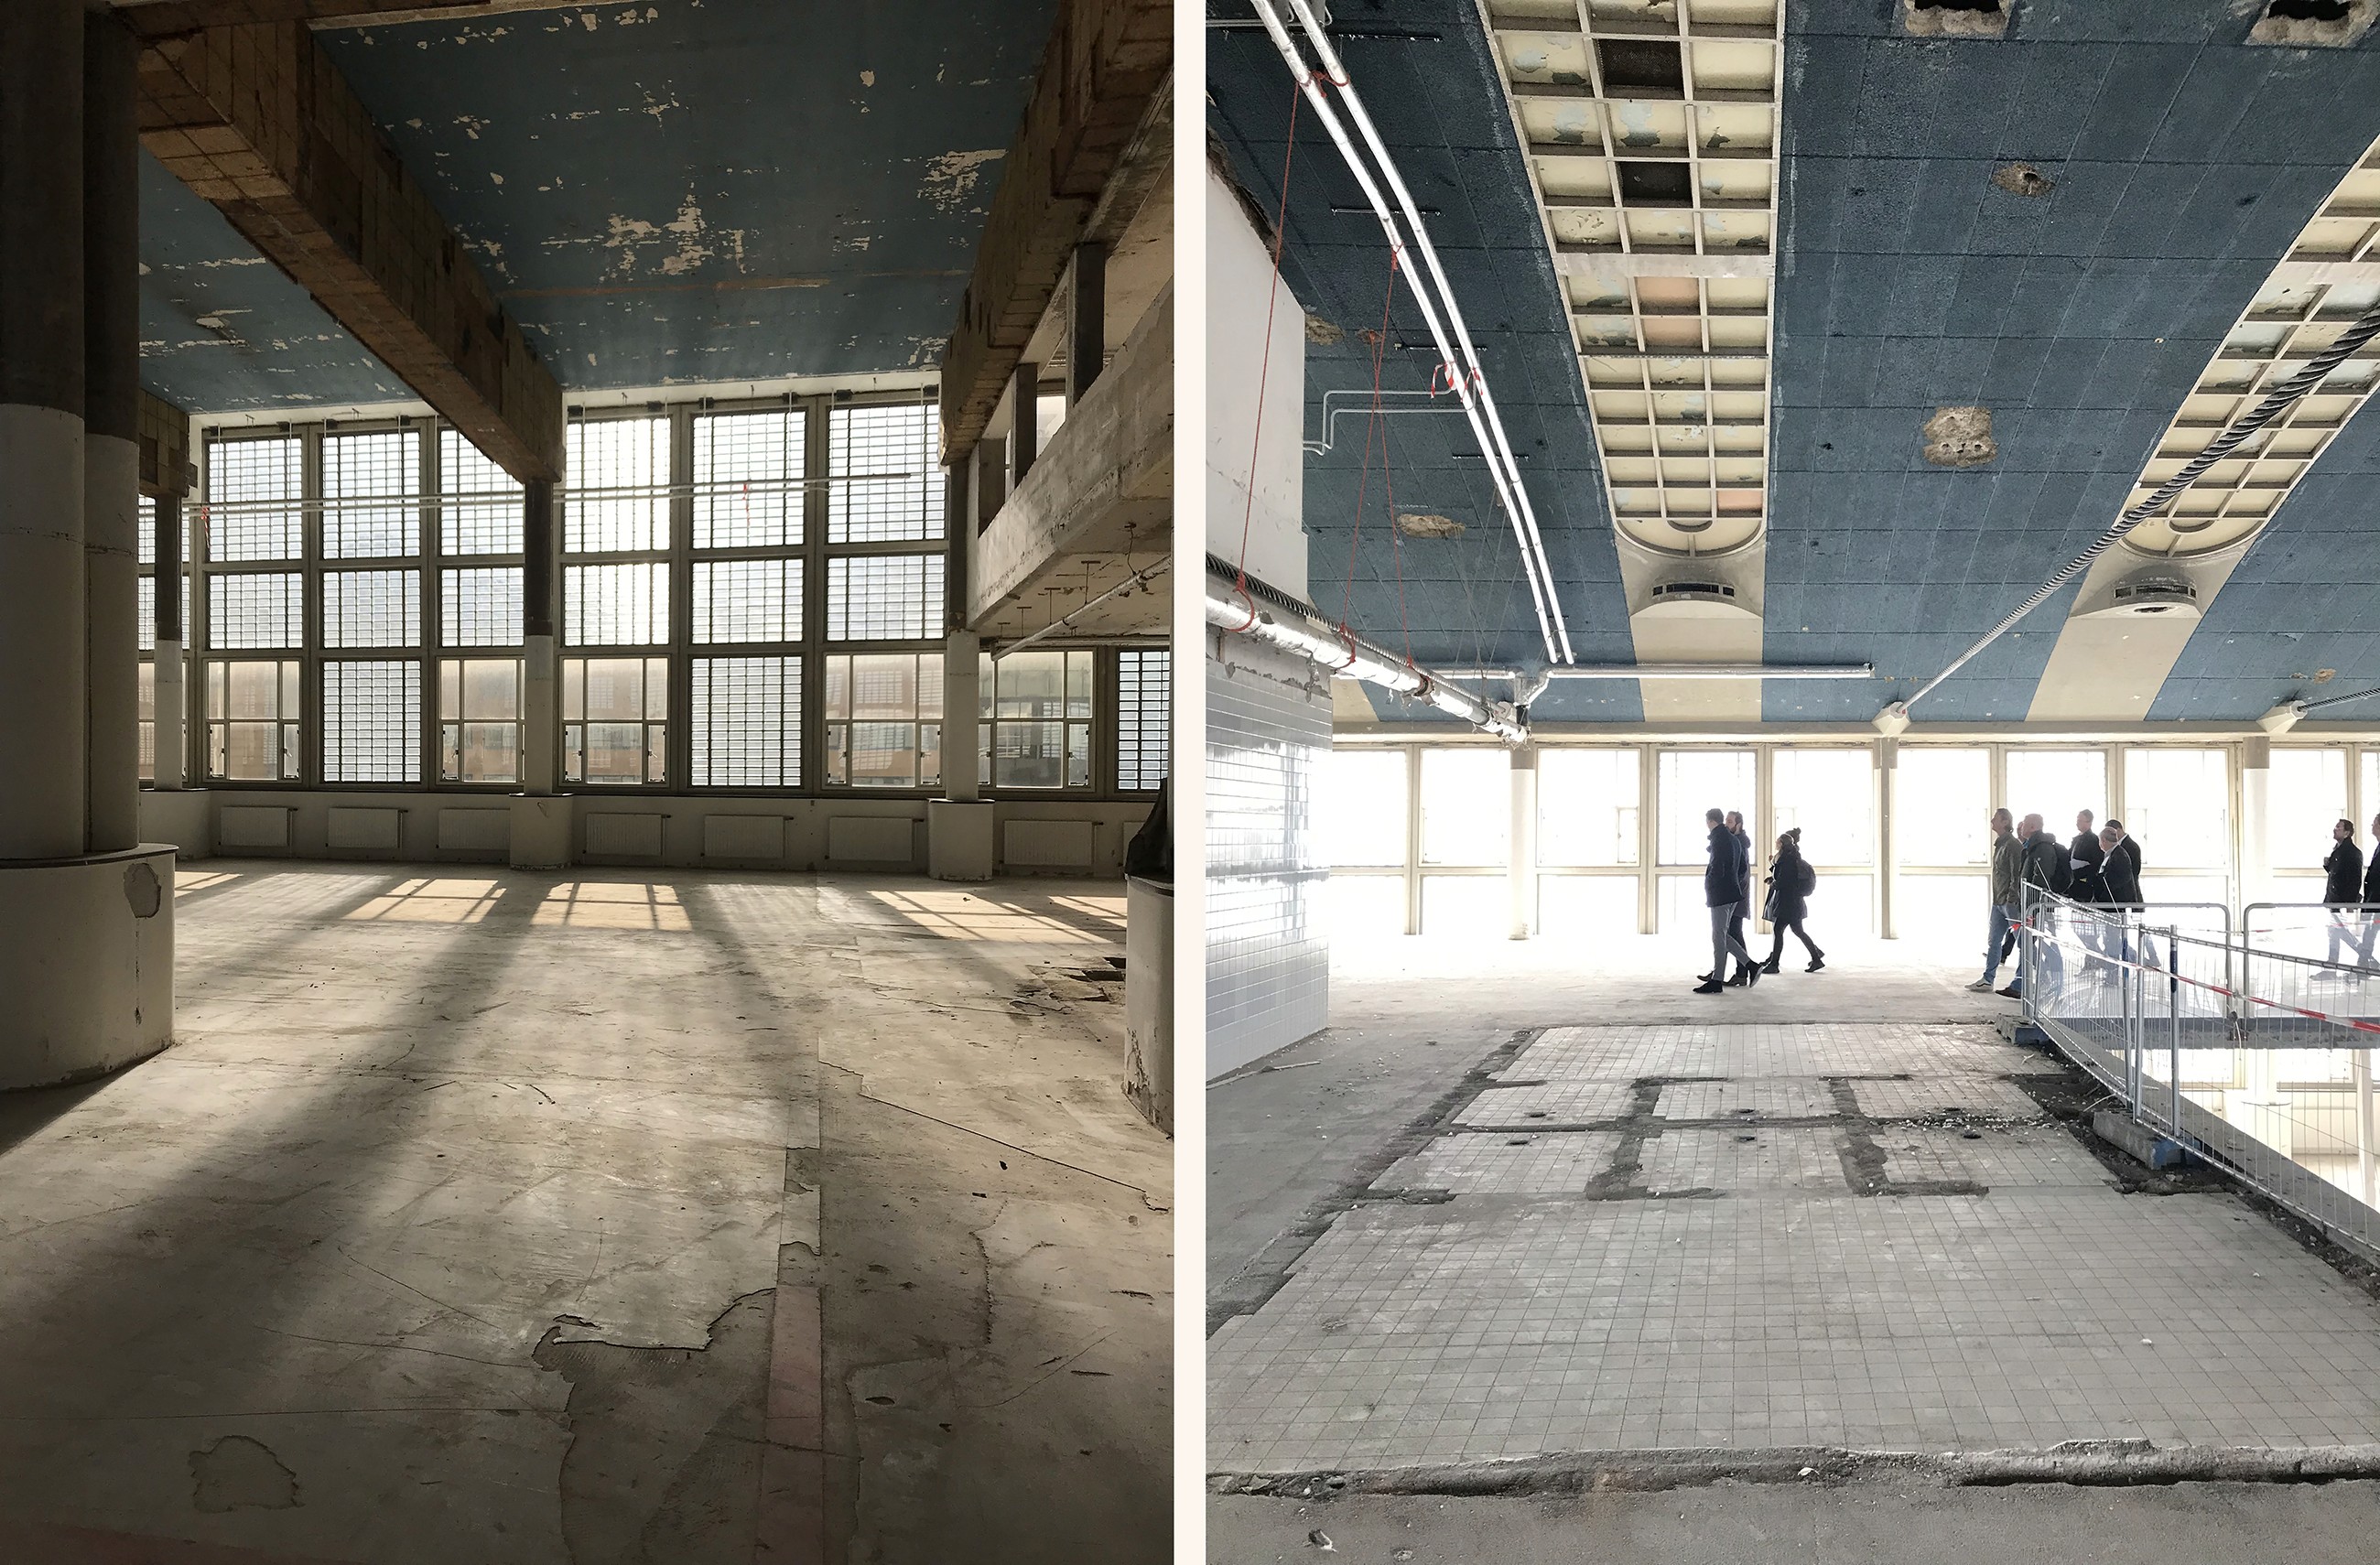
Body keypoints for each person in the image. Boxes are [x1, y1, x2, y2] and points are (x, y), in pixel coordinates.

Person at [2001, 813, 2067, 998]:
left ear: (2032, 827)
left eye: (2024, 825)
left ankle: (2053, 981)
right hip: (2030, 908)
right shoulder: (2031, 847)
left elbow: (2040, 882)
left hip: (2038, 909)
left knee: (2044, 946)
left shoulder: (2042, 849)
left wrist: (2034, 910)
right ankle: (2021, 984)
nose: (2020, 828)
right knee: (2027, 945)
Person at [1696, 807, 1758, 995]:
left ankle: (1717, 980)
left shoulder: (1719, 839)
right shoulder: (1733, 839)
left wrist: (1710, 886)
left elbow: (1717, 867)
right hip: (1732, 893)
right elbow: (1740, 868)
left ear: (1710, 821)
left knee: (1718, 936)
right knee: (1723, 934)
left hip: (1721, 894)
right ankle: (1751, 965)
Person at [1967, 808, 2019, 993]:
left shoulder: (2013, 846)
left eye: (1996, 819)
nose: (1992, 821)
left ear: (2005, 822)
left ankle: (2022, 981)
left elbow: (2016, 874)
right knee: (1994, 940)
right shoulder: (2001, 845)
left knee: (2022, 942)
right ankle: (1988, 979)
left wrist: (2010, 899)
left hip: (2008, 904)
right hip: (1999, 903)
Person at [1759, 827, 1823, 974]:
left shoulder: (1786, 860)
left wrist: (1773, 883)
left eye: (1777, 841)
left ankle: (1774, 964)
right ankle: (1816, 959)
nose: (1775, 843)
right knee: (1797, 930)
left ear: (1781, 843)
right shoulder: (1791, 858)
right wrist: (1773, 876)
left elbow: (1784, 881)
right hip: (1794, 902)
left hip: (1788, 903)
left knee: (1778, 930)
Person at [2096, 821, 2157, 973]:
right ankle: (2117, 968)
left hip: (2117, 903)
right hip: (2112, 904)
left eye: (2100, 841)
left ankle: (2128, 964)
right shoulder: (2112, 854)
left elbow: (2118, 879)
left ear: (2104, 840)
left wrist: (2101, 885)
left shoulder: (2122, 854)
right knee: (2113, 938)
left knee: (2118, 938)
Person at [2321, 818, 2364, 975]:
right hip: (2334, 899)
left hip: (2340, 900)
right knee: (2334, 932)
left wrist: (2350, 902)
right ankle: (2332, 965)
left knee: (2338, 932)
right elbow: (2336, 875)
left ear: (2347, 833)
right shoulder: (2338, 850)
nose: (2335, 829)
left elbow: (2354, 879)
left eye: (2338, 827)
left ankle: (2364, 954)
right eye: (2335, 827)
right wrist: (2327, 865)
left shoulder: (2352, 852)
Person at [2069, 809, 2108, 976]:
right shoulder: (2077, 840)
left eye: (2080, 820)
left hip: (2086, 889)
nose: (2077, 822)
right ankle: (2094, 958)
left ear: (2089, 822)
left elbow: (2096, 865)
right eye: (2077, 819)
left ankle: (2097, 957)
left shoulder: (2092, 841)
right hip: (2076, 887)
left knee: (2085, 927)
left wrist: (2082, 869)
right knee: (2079, 926)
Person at [1725, 810, 1755, 986]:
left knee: (1733, 934)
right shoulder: (1736, 842)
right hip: (1736, 896)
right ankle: (1737, 972)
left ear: (1738, 825)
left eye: (1729, 821)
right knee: (1731, 934)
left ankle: (1742, 972)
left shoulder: (1739, 844)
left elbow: (1740, 872)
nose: (1726, 824)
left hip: (1737, 897)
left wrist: (1733, 894)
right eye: (1726, 821)